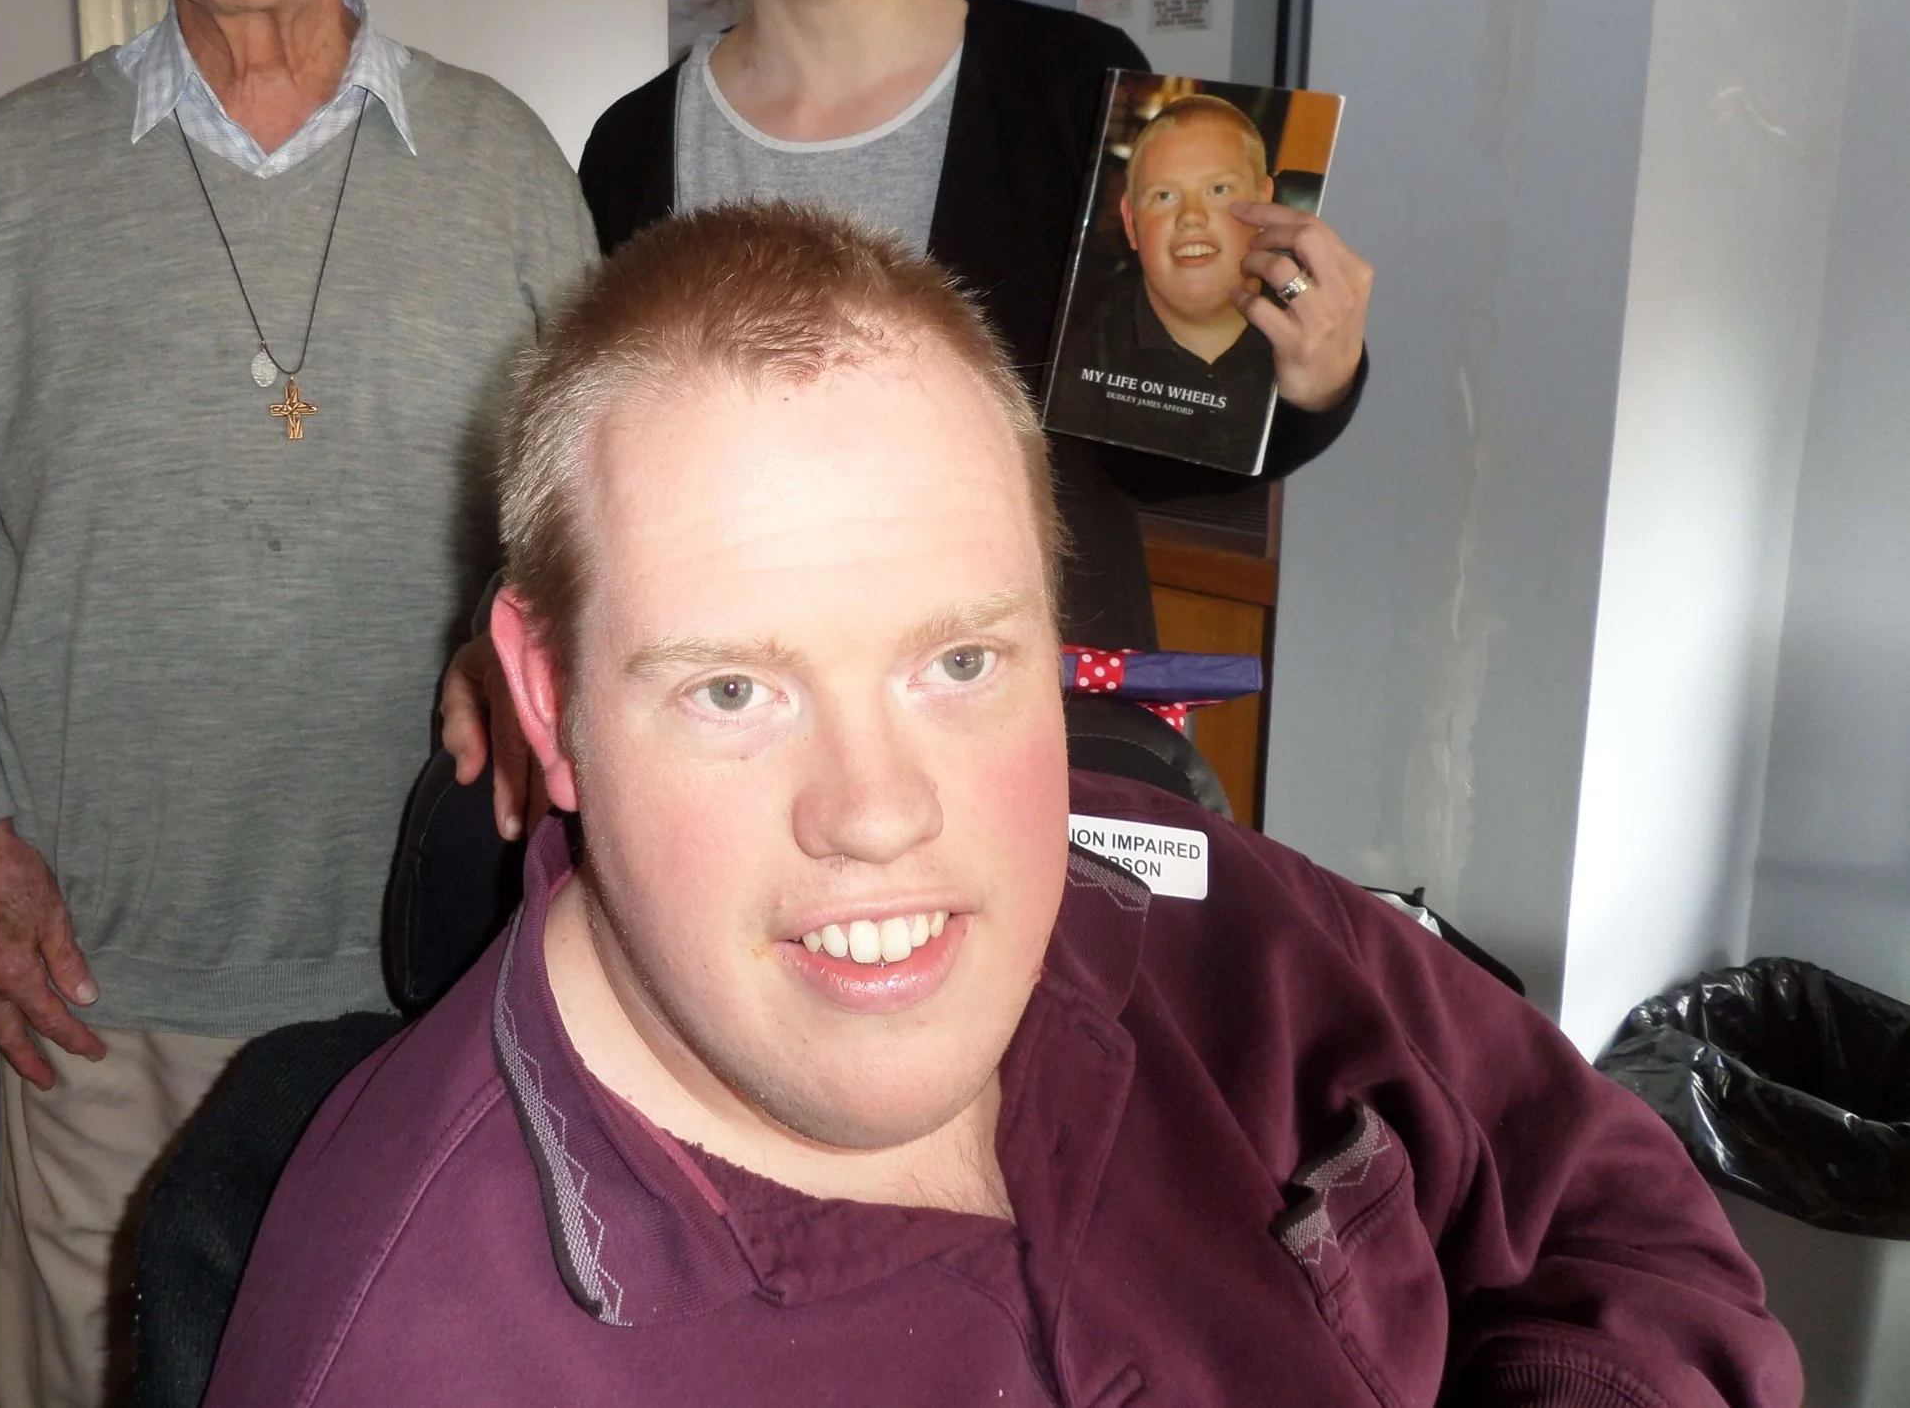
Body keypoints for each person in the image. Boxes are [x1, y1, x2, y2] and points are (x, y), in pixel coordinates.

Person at [206, 203, 1800, 1407]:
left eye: (958, 660)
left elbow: (1601, 1196)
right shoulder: (410, 1352)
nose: (878, 811)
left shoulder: (1186, 900)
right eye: (733, 689)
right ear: (547, 703)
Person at [0, 0, 596, 1407]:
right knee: (105, 1369)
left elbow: (597, 520)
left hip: (441, 953)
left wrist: (528, 629)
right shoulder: (2, 184)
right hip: (107, 967)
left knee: (410, 1359)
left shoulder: (508, 171)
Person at [578, 0, 1372, 645]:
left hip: (1025, 697)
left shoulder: (1074, 87)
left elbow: (1150, 455)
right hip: (741, 694)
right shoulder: (632, 149)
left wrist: (1312, 380)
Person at [1050, 94, 1284, 468]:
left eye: (1218, 190)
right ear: (1131, 223)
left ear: (1263, 204)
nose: (1191, 216)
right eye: (1164, 195)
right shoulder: (1069, 365)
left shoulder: (1310, 336)